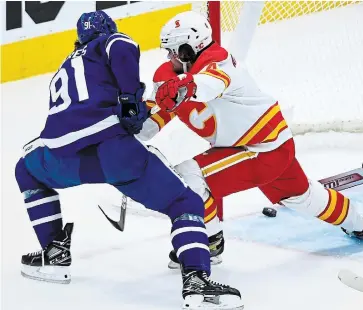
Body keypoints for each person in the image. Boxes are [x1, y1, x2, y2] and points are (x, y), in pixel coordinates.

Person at [15, 10, 242, 310]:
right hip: (114, 154)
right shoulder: (108, 42)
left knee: (25, 171)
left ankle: (54, 252)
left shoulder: (65, 66)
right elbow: (121, 47)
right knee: (184, 203)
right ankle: (196, 279)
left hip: (61, 157)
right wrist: (130, 100)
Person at [135, 11, 363, 269]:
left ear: (188, 50)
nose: (168, 57)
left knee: (190, 175)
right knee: (304, 197)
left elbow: (208, 84)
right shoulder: (168, 77)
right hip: (272, 146)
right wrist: (129, 128)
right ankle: (361, 224)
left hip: (261, 150)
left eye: (173, 51)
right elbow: (153, 118)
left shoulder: (218, 62)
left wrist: (184, 87)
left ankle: (209, 243)